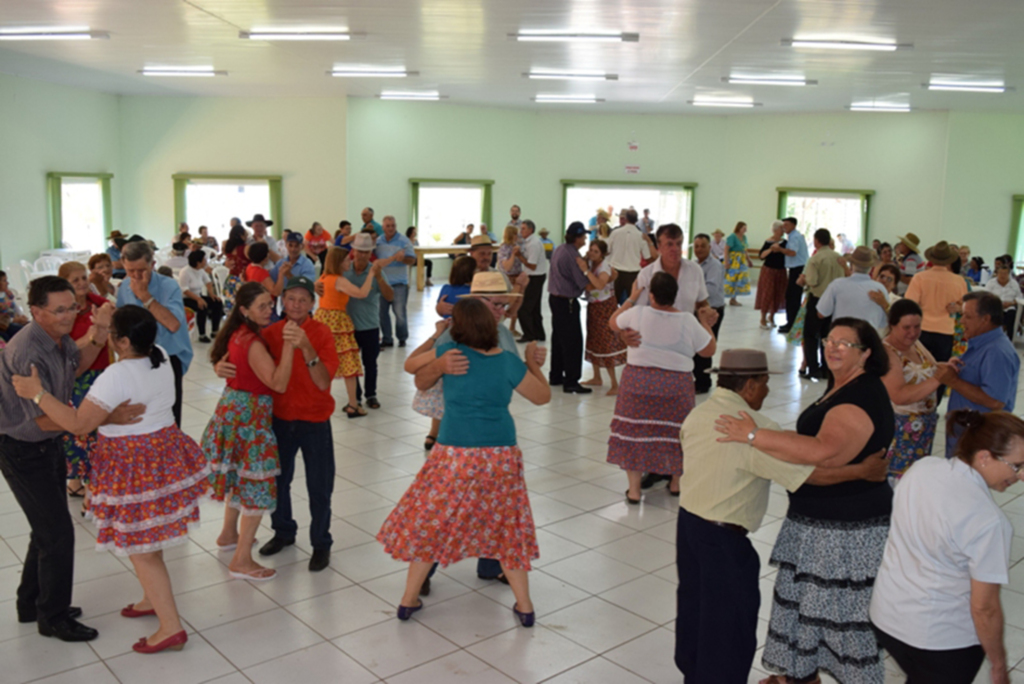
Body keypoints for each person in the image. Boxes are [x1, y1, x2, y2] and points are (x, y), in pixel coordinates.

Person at [677, 348, 887, 684]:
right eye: (764, 383)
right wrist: (863, 471)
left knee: (695, 611)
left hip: (687, 528)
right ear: (748, 386)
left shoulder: (698, 414)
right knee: (729, 628)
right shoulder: (755, 430)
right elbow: (808, 476)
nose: (768, 390)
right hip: (723, 541)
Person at [12, 305, 209, 654]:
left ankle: (170, 627)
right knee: (148, 537)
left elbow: (78, 425)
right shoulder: (161, 356)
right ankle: (151, 599)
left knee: (140, 550)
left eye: (112, 334)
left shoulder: (115, 376)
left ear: (122, 341)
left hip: (132, 463)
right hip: (161, 455)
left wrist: (37, 393)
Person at [379, 298, 551, 624]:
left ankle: (408, 600)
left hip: (453, 454)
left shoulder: (451, 356)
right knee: (506, 528)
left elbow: (419, 379)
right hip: (500, 455)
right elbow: (542, 397)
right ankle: (525, 607)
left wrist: (439, 365)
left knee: (432, 524)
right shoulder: (508, 362)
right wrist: (533, 365)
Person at [0, 277, 145, 642]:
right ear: (36, 311)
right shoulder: (26, 352)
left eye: (72, 308)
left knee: (46, 527)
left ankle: (30, 602)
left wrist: (97, 335)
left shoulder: (55, 339)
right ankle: (52, 616)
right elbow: (40, 418)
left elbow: (74, 366)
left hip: (46, 443)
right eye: (60, 310)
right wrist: (99, 418)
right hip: (22, 447)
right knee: (58, 534)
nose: (69, 316)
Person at [870, 410, 1022, 684]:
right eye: (1017, 466)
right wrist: (998, 664)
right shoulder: (989, 522)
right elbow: (984, 608)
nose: (1021, 476)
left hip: (887, 619)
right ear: (985, 457)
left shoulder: (922, 468)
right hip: (939, 640)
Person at [216, 278, 341, 573]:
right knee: (277, 484)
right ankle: (283, 532)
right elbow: (241, 360)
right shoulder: (268, 333)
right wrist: (219, 366)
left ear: (312, 304)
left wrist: (307, 348)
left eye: (303, 299)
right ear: (283, 301)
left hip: (315, 420)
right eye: (291, 299)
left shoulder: (322, 333)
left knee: (319, 487)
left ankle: (321, 543)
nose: (296, 305)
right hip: (278, 421)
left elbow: (323, 382)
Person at [201, 282, 300, 581]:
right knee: (256, 486)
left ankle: (228, 535)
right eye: (262, 306)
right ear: (244, 310)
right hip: (250, 420)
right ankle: (242, 559)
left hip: (232, 411)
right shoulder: (253, 342)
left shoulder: (236, 333)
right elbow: (278, 383)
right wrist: (290, 349)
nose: (270, 310)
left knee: (236, 476)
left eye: (270, 304)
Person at [608, 272, 717, 502]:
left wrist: (633, 296)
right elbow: (708, 351)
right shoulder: (687, 320)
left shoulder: (637, 313)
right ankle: (676, 482)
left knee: (634, 433)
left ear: (652, 295)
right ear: (675, 296)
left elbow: (612, 322)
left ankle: (635, 490)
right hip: (675, 387)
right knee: (676, 434)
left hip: (638, 382)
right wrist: (706, 324)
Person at [116, 240, 192, 426]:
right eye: (130, 271)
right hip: (135, 359)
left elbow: (173, 324)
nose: (135, 276)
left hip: (167, 356)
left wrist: (145, 297)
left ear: (152, 265)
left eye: (141, 270)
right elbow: (120, 326)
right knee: (141, 417)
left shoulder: (169, 286)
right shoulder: (124, 287)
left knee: (168, 418)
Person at [57, 262, 115, 501]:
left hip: (100, 372)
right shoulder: (61, 312)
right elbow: (62, 348)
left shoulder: (100, 305)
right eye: (75, 280)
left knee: (97, 429)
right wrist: (91, 336)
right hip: (74, 375)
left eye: (83, 278)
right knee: (75, 429)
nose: (81, 283)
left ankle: (94, 481)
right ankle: (74, 478)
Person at [882, 299, 950, 482]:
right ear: (892, 325)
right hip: (901, 430)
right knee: (898, 483)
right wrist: (938, 379)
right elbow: (899, 396)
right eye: (906, 327)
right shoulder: (887, 352)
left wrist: (946, 368)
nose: (912, 332)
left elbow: (932, 368)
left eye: (917, 326)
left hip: (923, 428)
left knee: (916, 481)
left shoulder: (916, 344)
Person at [945, 291, 1021, 455]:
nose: (962, 321)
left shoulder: (996, 351)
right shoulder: (980, 343)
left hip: (977, 438)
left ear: (985, 319)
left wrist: (953, 381)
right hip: (964, 432)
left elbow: (995, 401)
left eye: (967, 316)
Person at [315, 248, 378, 418]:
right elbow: (362, 293)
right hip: (338, 323)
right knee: (349, 363)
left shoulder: (323, 277)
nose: (349, 262)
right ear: (338, 262)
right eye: (346, 260)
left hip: (323, 320)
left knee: (322, 363)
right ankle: (353, 404)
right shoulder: (339, 280)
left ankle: (321, 401)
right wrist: (371, 274)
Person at [905, 241, 969, 384]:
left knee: (919, 369)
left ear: (931, 259)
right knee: (940, 370)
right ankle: (935, 401)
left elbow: (909, 305)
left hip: (921, 330)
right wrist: (957, 308)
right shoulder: (959, 281)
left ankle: (918, 400)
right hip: (945, 331)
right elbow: (964, 306)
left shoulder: (919, 278)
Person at [343, 233, 394, 410]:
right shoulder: (344, 270)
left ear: (370, 253)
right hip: (348, 327)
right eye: (359, 251)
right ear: (353, 251)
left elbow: (390, 296)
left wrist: (379, 277)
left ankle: (371, 394)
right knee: (351, 365)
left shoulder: (376, 270)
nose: (362, 255)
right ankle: (354, 397)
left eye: (366, 252)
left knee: (370, 363)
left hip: (370, 326)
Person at [797, 230, 850, 381]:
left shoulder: (815, 258)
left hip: (818, 299)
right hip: (836, 301)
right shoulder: (838, 257)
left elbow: (812, 281)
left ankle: (813, 368)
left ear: (816, 241)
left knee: (810, 335)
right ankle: (827, 368)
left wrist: (804, 280)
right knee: (829, 336)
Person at [546, 222, 592, 394]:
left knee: (558, 340)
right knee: (573, 342)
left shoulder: (560, 249)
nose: (586, 239)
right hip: (567, 303)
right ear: (577, 237)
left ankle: (556, 375)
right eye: (584, 236)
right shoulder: (574, 257)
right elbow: (584, 283)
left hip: (555, 299)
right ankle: (572, 381)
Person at [581, 239, 626, 395]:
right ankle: (596, 377)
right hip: (594, 306)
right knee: (593, 339)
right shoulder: (592, 264)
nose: (592, 254)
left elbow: (600, 285)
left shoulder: (604, 266)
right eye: (591, 250)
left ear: (602, 254)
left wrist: (586, 272)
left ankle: (614, 383)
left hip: (605, 307)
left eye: (596, 251)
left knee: (605, 341)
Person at [816, 246, 889, 331]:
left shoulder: (837, 285)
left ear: (851, 265)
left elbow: (821, 313)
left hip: (841, 339)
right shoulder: (879, 289)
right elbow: (884, 322)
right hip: (869, 340)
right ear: (871, 268)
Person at [375, 215, 416, 348]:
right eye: (388, 226)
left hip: (399, 283)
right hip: (383, 282)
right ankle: (387, 339)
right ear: (383, 227)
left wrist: (403, 259)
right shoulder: (378, 241)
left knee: (399, 313)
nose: (391, 228)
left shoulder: (404, 241)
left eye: (393, 225)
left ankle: (402, 338)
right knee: (382, 312)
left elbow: (412, 260)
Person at [692, 233, 725, 394]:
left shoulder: (714, 265)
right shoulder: (693, 265)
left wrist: (690, 291)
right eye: (696, 246)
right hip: (697, 310)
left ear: (709, 247)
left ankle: (703, 383)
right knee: (694, 346)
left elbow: (710, 289)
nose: (699, 249)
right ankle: (697, 379)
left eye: (703, 246)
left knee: (705, 347)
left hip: (712, 311)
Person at [606, 208, 653, 304]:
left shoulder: (615, 233)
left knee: (613, 303)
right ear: (636, 220)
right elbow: (647, 257)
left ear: (626, 218)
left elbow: (607, 250)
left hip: (615, 272)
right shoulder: (641, 236)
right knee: (632, 303)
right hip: (633, 274)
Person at [515, 220, 549, 343]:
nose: (521, 231)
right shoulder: (530, 242)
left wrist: (519, 255)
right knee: (534, 308)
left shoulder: (533, 244)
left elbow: (532, 265)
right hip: (536, 276)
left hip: (535, 277)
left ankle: (529, 334)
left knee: (524, 308)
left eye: (523, 228)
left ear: (530, 230)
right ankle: (539, 334)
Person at [179, 250, 223, 343]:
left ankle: (215, 330)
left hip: (198, 295)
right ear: (198, 262)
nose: (206, 261)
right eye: (204, 259)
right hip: (187, 298)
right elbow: (185, 290)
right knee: (202, 306)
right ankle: (202, 334)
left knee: (218, 302)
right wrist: (199, 299)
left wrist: (211, 294)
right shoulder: (185, 272)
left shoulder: (200, 270)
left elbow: (208, 282)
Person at [778, 217, 809, 333]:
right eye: (783, 224)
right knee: (791, 297)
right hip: (795, 269)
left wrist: (779, 249)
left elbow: (792, 252)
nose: (784, 227)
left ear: (793, 225)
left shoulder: (795, 237)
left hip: (798, 269)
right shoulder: (792, 236)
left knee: (793, 297)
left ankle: (792, 324)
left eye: (786, 224)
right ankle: (791, 322)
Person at [755, 221, 788, 329]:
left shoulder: (785, 242)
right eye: (780, 229)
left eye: (783, 229)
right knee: (767, 294)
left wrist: (781, 249)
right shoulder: (768, 241)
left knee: (777, 294)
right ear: (775, 230)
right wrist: (771, 249)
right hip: (768, 270)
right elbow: (761, 256)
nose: (782, 231)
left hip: (781, 270)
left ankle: (772, 316)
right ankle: (763, 318)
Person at [497, 224, 526, 336]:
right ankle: (499, 323)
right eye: (515, 234)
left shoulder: (517, 245)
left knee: (517, 303)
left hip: (517, 276)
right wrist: (514, 254)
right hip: (507, 278)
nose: (517, 236)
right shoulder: (504, 248)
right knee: (508, 302)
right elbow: (507, 266)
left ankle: (512, 327)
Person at [985, 263, 1022, 339]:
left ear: (1009, 274)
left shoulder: (1014, 284)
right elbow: (986, 296)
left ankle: (1009, 340)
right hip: (995, 307)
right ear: (997, 273)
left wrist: (1011, 303)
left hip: (1010, 306)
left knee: (1011, 316)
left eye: (1005, 273)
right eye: (1001, 273)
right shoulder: (991, 283)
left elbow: (1019, 297)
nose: (1003, 275)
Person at [723, 221, 752, 306]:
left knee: (738, 280)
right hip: (734, 260)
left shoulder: (744, 237)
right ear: (739, 228)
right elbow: (726, 249)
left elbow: (745, 250)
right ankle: (722, 298)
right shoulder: (732, 237)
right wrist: (727, 261)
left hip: (741, 261)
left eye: (746, 228)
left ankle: (733, 299)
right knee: (730, 279)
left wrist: (749, 260)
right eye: (744, 228)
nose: (745, 230)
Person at [0, 269, 30, 341]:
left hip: (12, 320)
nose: (7, 283)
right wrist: (14, 320)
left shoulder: (7, 293)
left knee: (32, 326)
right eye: (4, 280)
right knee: (22, 331)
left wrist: (22, 316)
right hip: (4, 325)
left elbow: (15, 306)